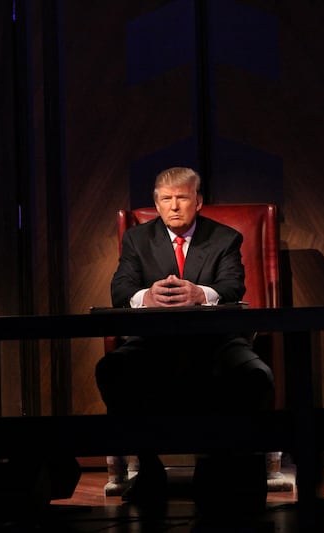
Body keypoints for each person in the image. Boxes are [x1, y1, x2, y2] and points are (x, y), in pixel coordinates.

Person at [95, 167, 274, 513]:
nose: (174, 206)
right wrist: (147, 297)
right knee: (112, 370)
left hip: (216, 342)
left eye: (182, 198)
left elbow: (232, 288)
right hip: (153, 342)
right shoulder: (137, 239)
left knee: (255, 375)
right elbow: (121, 290)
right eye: (166, 199)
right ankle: (149, 466)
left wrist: (200, 294)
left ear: (199, 201)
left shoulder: (225, 238)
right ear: (156, 204)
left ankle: (223, 467)